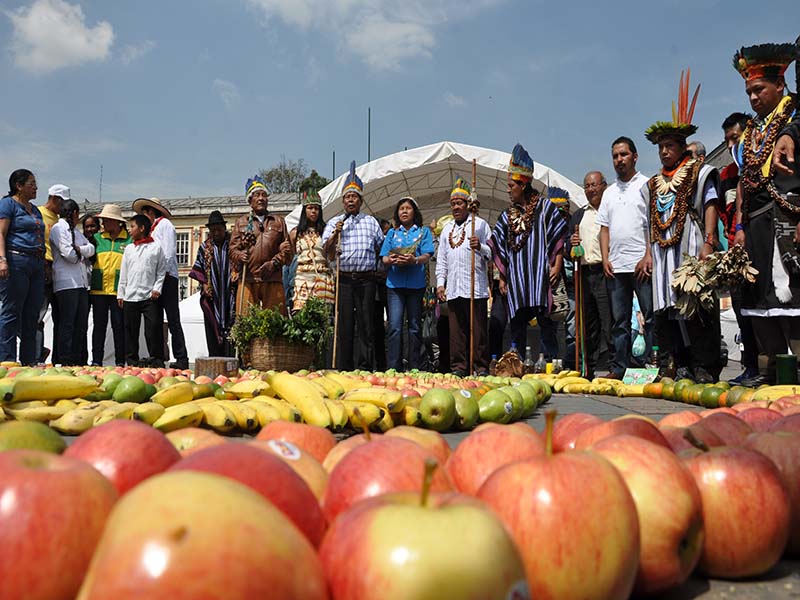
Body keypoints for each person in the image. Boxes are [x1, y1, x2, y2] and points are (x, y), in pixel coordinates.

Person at [644, 72, 721, 383]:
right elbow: (649, 219)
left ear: (682, 146)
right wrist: (649, 252)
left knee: (696, 307)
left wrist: (709, 242)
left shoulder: (698, 171)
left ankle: (705, 365)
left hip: (689, 248)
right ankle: (676, 364)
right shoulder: (653, 182)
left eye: (671, 145)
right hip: (663, 253)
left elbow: (711, 204)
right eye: (661, 146)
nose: (665, 151)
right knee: (667, 313)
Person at [732, 42, 799, 385]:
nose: (753, 97)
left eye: (759, 89)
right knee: (759, 300)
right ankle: (771, 374)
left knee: (792, 298)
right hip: (756, 222)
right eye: (748, 92)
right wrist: (740, 224)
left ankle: (796, 372)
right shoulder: (753, 130)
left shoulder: (794, 117)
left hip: (787, 218)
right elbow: (746, 179)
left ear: (779, 85)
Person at [491, 144, 568, 360]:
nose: (508, 190)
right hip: (517, 281)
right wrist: (502, 278)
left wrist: (558, 263)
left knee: (546, 324)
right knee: (517, 324)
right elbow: (500, 246)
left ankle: (551, 364)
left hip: (541, 279)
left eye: (511, 186)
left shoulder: (545, 207)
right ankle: (517, 364)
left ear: (523, 185)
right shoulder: (507, 216)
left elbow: (558, 236)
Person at [596, 136, 653, 379]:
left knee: (649, 317)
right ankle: (619, 369)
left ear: (635, 156)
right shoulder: (608, 193)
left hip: (643, 265)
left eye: (623, 154)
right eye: (615, 156)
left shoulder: (647, 185)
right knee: (619, 321)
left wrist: (648, 255)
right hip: (616, 267)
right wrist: (605, 258)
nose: (619, 160)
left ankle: (651, 366)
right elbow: (604, 229)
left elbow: (654, 224)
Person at [322, 161, 385, 370]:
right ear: (343, 201)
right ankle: (344, 367)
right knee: (345, 325)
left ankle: (365, 366)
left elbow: (381, 247)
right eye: (348, 197)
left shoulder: (371, 222)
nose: (351, 200)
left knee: (366, 324)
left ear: (360, 200)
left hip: (366, 279)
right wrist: (335, 234)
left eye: (354, 197)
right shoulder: (335, 222)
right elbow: (326, 250)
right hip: (345, 280)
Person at [436, 178, 491, 376]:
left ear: (468, 204)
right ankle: (458, 367)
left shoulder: (480, 225)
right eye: (453, 204)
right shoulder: (447, 230)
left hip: (475, 287)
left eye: (459, 203)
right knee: (456, 333)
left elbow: (494, 254)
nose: (456, 207)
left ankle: (480, 367)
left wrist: (481, 247)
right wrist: (441, 283)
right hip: (454, 288)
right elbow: (441, 259)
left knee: (478, 332)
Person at [719, 112, 759, 384]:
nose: (732, 144)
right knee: (740, 307)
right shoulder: (726, 174)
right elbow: (723, 210)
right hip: (735, 250)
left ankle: (770, 366)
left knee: (762, 307)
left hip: (759, 243)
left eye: (736, 138)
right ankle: (751, 366)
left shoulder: (758, 166)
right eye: (728, 140)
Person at [133, 197, 189, 369]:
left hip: (167, 277)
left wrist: (160, 275)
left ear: (150, 212)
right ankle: (156, 356)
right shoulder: (151, 231)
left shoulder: (164, 225)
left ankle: (181, 358)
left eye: (144, 213)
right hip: (154, 280)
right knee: (154, 320)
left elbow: (168, 252)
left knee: (172, 319)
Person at [380, 196, 434, 371]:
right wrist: (392, 260)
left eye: (408, 208)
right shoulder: (391, 233)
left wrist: (414, 259)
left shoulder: (423, 232)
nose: (404, 211)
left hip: (415, 285)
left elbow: (427, 255)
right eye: (401, 208)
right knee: (394, 326)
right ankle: (393, 367)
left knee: (414, 327)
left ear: (414, 212)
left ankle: (414, 366)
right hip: (394, 286)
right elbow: (384, 257)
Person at [569, 171, 614, 376]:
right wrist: (572, 245)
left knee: (609, 323)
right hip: (584, 274)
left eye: (594, 185)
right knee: (587, 325)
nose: (590, 189)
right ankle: (588, 369)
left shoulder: (611, 210)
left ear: (603, 186)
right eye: (586, 186)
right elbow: (567, 251)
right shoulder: (578, 215)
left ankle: (615, 367)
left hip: (605, 273)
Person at [0, 169, 46, 365]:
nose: (35, 187)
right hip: (16, 260)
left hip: (36, 263)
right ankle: (7, 360)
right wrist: (2, 260)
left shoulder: (35, 209)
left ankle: (29, 361)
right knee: (11, 311)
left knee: (32, 314)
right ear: (18, 186)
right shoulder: (7, 204)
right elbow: (1, 233)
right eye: (31, 183)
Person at [230, 176, 292, 315]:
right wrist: (240, 255)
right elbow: (232, 251)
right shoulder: (240, 223)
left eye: (264, 195)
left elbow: (287, 250)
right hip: (248, 279)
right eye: (256, 195)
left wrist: (274, 263)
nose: (261, 198)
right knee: (245, 324)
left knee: (275, 323)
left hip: (273, 279)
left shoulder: (278, 222)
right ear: (250, 201)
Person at [117, 213, 166, 367]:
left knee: (152, 329)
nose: (130, 230)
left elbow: (161, 270)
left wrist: (157, 288)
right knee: (130, 330)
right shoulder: (129, 249)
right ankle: (131, 361)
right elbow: (123, 272)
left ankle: (156, 359)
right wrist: (121, 293)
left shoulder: (156, 247)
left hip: (149, 295)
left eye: (132, 227)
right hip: (130, 295)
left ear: (142, 228)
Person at [49, 199, 95, 365]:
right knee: (67, 323)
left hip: (81, 283)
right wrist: (80, 251)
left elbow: (91, 248)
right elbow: (69, 254)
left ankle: (76, 359)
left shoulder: (75, 231)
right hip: (66, 283)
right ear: (74, 213)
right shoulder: (58, 228)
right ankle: (65, 359)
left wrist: (80, 250)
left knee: (81, 324)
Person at [189, 210, 235, 357]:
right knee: (212, 329)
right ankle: (215, 358)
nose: (216, 233)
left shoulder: (233, 245)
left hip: (231, 295)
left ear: (224, 228)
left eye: (219, 229)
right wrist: (204, 284)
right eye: (213, 230)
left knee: (232, 326)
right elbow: (199, 269)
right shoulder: (205, 247)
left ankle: (231, 359)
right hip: (212, 297)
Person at [90, 204, 130, 366]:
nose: (103, 223)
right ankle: (96, 361)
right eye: (102, 220)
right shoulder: (97, 239)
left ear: (117, 222)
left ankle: (120, 361)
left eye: (106, 220)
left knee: (119, 327)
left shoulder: (129, 239)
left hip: (118, 292)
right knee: (98, 328)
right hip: (98, 291)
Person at [289, 191, 334, 313]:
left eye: (317, 208)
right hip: (302, 279)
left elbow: (331, 255)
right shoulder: (295, 233)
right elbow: (292, 257)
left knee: (323, 318)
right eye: (310, 208)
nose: (313, 211)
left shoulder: (326, 231)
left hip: (322, 278)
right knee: (301, 317)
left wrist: (333, 238)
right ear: (304, 211)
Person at [37, 184, 68, 363]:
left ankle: (58, 358)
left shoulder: (60, 221)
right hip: (42, 268)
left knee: (60, 319)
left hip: (59, 273)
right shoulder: (37, 213)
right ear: (55, 198)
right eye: (62, 204)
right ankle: (37, 354)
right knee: (37, 315)